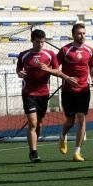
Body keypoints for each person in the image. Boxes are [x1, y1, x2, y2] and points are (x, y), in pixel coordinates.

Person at [16, 29, 78, 163]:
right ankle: (33, 152)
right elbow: (19, 70)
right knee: (32, 123)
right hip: (28, 93)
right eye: (37, 42)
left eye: (42, 42)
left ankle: (34, 146)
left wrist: (48, 69)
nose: (40, 45)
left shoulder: (49, 55)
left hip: (43, 93)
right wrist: (20, 74)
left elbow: (57, 71)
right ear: (32, 41)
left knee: (38, 123)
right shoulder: (23, 55)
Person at [56, 23, 93, 161]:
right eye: (79, 33)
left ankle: (77, 152)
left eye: (84, 33)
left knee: (82, 117)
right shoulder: (65, 50)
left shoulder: (90, 51)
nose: (82, 36)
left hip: (83, 89)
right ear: (73, 34)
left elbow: (91, 68)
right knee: (70, 120)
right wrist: (67, 78)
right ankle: (63, 135)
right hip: (68, 90)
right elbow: (55, 68)